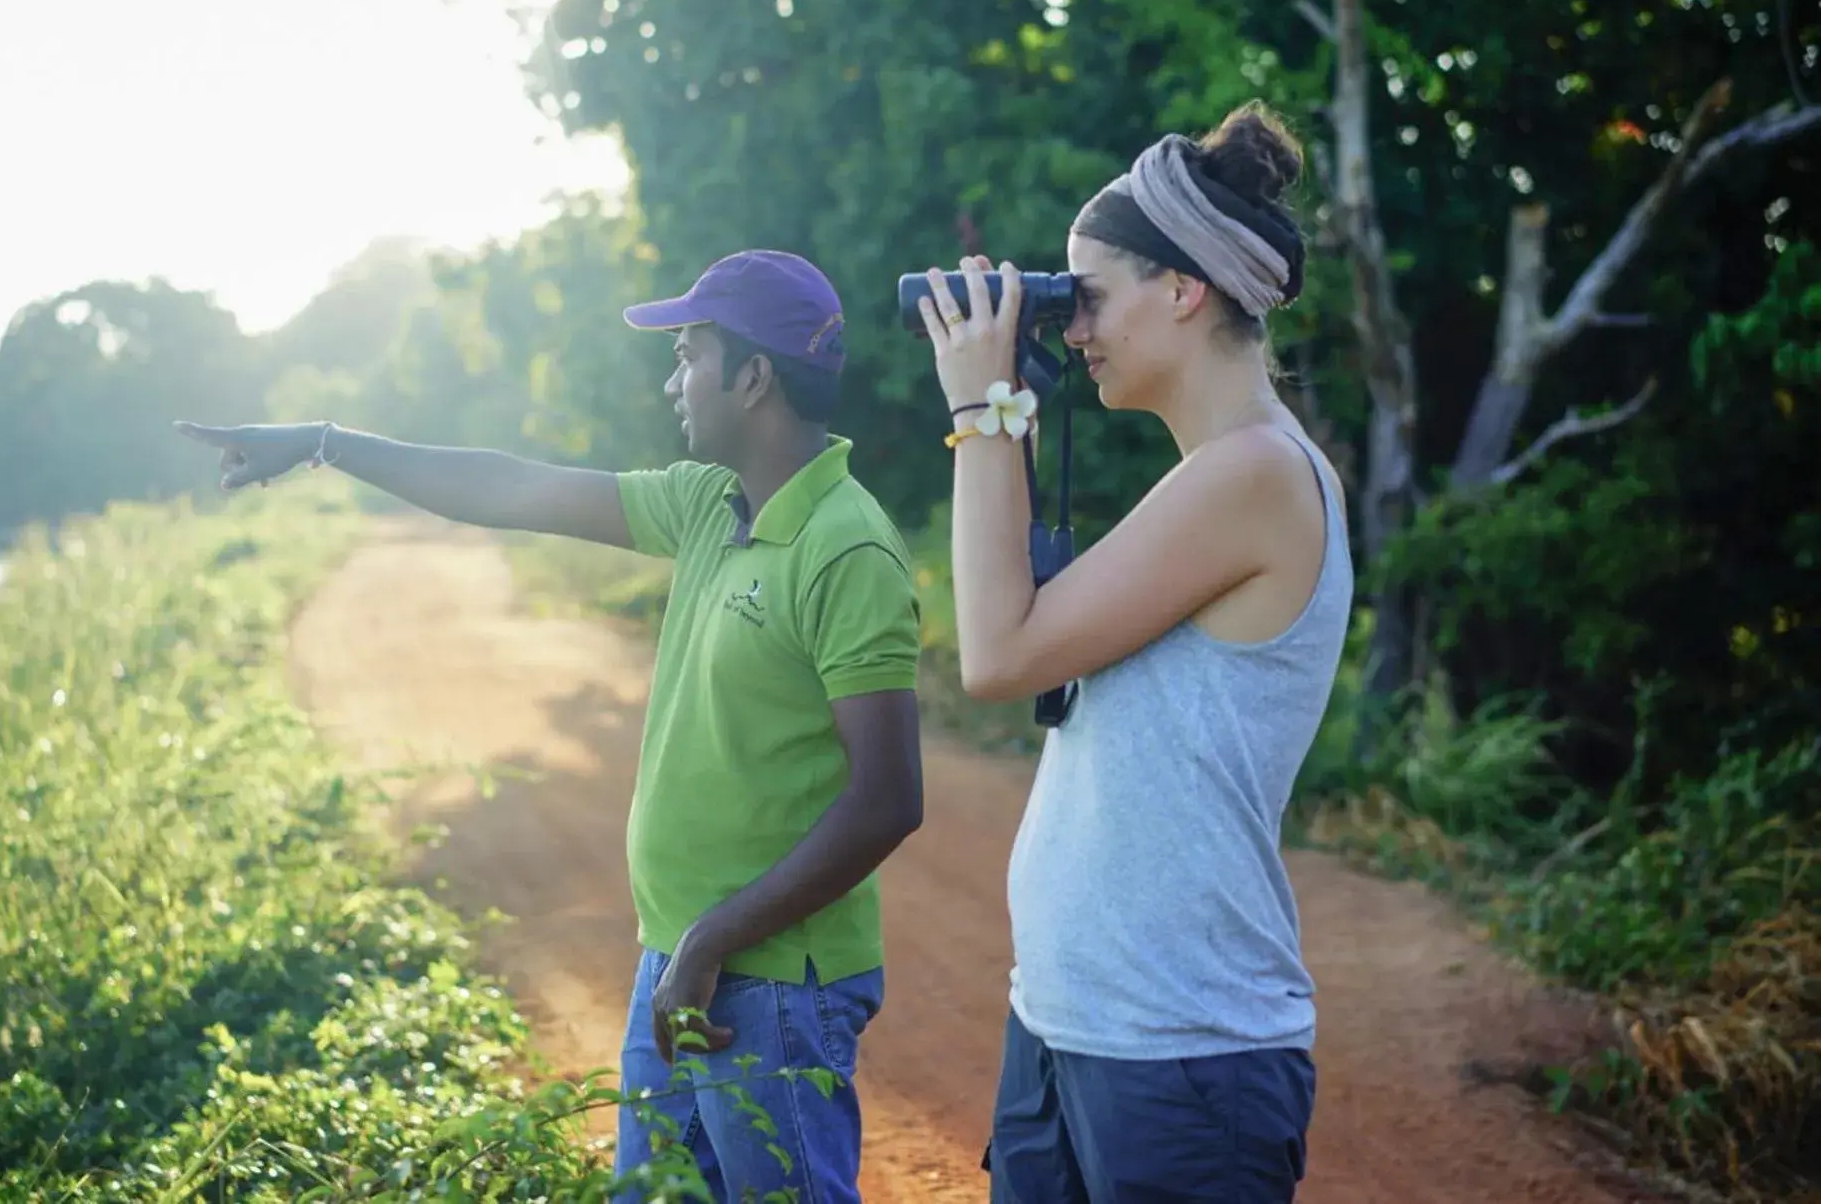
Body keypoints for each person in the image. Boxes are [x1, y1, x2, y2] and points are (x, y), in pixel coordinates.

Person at [176, 249, 925, 1204]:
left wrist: (711, 942)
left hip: (771, 984)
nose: (671, 380)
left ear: (752, 376)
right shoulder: (709, 505)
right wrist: (325, 441)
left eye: (688, 355)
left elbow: (887, 801)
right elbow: (510, 488)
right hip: (682, 961)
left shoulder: (846, 545)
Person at [912, 101, 1348, 1202]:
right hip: (1079, 1029)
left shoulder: (1251, 475)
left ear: (1183, 289)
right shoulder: (1213, 476)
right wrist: (996, 415)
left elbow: (997, 653)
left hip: (1179, 1056)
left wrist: (983, 412)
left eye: (1087, 294)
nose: (1070, 329)